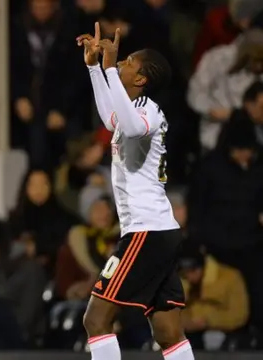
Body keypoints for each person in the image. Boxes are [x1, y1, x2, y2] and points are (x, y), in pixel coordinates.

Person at [76, 23, 194, 360]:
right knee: (168, 331)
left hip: (147, 231)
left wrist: (110, 68)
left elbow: (127, 124)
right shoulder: (136, 108)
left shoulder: (150, 110)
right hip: (159, 230)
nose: (122, 62)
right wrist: (95, 69)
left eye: (128, 62)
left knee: (96, 319)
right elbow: (113, 119)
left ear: (141, 79)